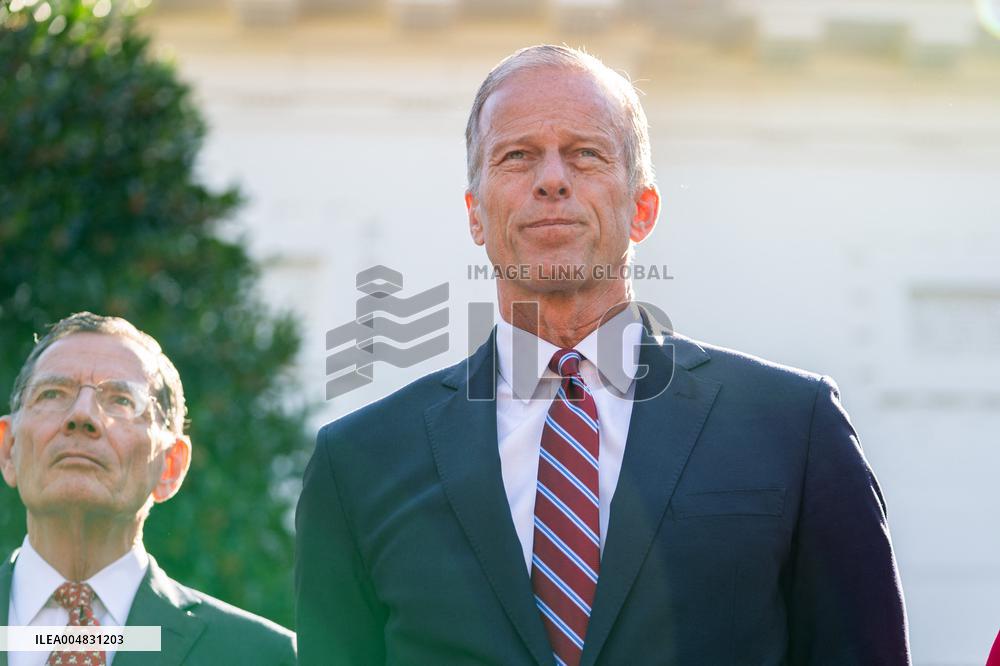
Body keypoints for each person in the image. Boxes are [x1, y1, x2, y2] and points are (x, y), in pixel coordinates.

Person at [295, 44, 910, 665]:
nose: (552, 178)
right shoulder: (360, 464)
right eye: (518, 156)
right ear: (475, 214)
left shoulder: (792, 427)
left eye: (586, 154)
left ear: (643, 209)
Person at [0, 312, 295, 666]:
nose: (81, 415)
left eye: (121, 400)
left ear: (171, 465)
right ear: (8, 449)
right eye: (52, 393)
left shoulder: (261, 657)